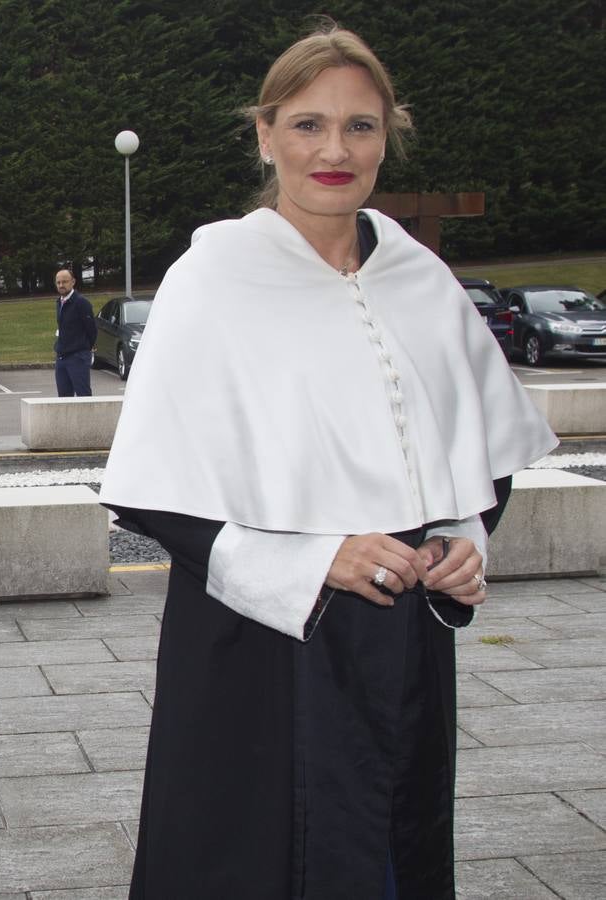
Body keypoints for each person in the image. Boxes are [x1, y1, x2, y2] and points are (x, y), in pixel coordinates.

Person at [99, 25, 557, 899]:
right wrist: (319, 557)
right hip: (262, 650)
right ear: (266, 136)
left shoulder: (417, 272)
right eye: (308, 125)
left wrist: (462, 538)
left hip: (404, 636)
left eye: (360, 126)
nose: (335, 150)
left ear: (389, 136)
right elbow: (156, 488)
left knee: (394, 843)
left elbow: (477, 450)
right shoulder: (215, 273)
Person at [53, 268, 95, 396]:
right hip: (62, 357)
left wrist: (84, 349)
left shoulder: (81, 303)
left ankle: (88, 417)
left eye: (64, 282)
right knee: (64, 397)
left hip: (78, 357)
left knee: (83, 395)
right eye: (58, 282)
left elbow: (91, 329)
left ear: (73, 282)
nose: (61, 285)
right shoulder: (59, 302)